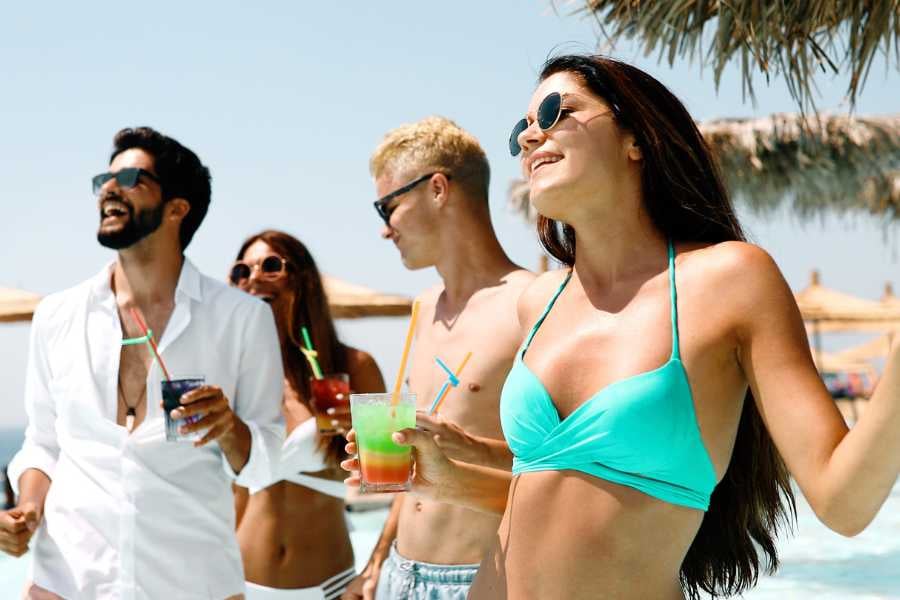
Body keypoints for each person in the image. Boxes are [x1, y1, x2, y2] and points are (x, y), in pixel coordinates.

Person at [345, 55, 900, 600]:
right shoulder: (539, 301)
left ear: (637, 139)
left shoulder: (729, 279)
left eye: (557, 111)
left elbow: (844, 503)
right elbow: (551, 489)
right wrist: (454, 473)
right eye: (523, 129)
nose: (530, 138)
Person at [0, 127, 284, 599]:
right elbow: (43, 443)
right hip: (67, 583)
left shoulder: (241, 319)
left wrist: (230, 427)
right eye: (104, 180)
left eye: (131, 178)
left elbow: (266, 464)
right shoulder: (57, 315)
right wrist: (26, 510)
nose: (108, 188)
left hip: (193, 584)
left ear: (177, 208)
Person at [342, 117, 534, 600]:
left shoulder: (531, 303)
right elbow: (408, 471)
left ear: (438, 189)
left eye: (387, 207)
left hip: (481, 578)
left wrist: (463, 446)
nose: (385, 230)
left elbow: (562, 471)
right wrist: (377, 561)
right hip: (400, 576)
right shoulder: (424, 307)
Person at [229, 230, 385, 600]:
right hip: (238, 586)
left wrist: (375, 566)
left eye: (270, 266)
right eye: (241, 271)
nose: (253, 279)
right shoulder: (231, 376)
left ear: (303, 278)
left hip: (329, 587)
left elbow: (396, 479)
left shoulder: (356, 367)